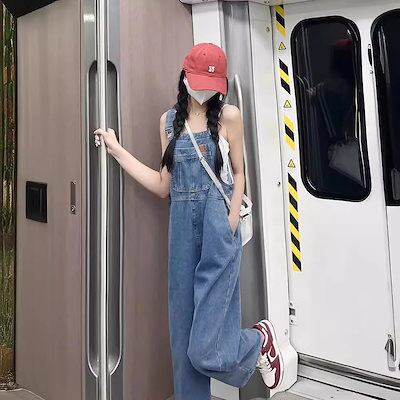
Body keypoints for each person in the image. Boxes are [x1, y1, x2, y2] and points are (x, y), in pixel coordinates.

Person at [94, 42, 284, 399]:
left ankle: (256, 341)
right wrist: (117, 150)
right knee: (183, 343)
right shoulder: (168, 122)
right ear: (184, 77)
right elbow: (163, 186)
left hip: (217, 227)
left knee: (205, 348)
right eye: (199, 83)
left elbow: (239, 173)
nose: (205, 92)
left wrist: (229, 220)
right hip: (180, 230)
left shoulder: (229, 116)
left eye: (212, 86)